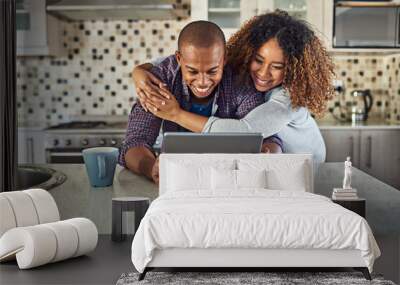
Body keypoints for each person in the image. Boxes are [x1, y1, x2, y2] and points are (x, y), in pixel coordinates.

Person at [134, 11, 335, 164]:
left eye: (277, 66)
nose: (263, 73)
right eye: (258, 60)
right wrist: (141, 70)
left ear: (293, 67)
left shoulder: (289, 98)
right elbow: (192, 61)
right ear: (249, 53)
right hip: (275, 164)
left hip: (307, 163)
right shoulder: (243, 73)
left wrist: (175, 114)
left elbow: (244, 131)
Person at [119, 21, 282, 184]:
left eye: (212, 71)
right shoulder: (161, 79)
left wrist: (269, 153)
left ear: (224, 59)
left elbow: (266, 137)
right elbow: (135, 141)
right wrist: (151, 167)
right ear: (179, 59)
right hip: (176, 181)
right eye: (192, 71)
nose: (203, 82)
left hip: (228, 181)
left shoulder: (241, 81)